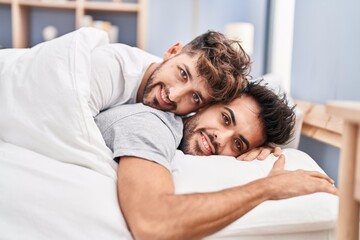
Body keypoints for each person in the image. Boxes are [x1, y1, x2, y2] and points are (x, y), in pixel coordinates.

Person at [94, 80, 337, 239]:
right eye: (226, 119)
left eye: (238, 143)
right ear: (206, 104)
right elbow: (152, 223)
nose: (222, 138)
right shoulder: (151, 125)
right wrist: (269, 187)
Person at [89, 30, 251, 116]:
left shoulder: (185, 114)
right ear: (172, 51)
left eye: (195, 97)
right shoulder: (110, 67)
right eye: (183, 74)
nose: (173, 96)